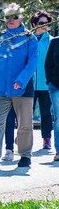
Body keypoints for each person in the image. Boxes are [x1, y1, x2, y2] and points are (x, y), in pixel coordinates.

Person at [0, 4, 37, 169]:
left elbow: (32, 63)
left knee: (24, 123)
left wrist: (21, 80)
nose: (10, 20)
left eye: (14, 17)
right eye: (7, 17)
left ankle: (25, 155)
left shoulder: (29, 38)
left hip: (22, 89)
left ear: (21, 18)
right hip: (1, 89)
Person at [30, 10, 54, 150]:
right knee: (26, 115)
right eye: (41, 23)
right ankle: (24, 140)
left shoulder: (52, 41)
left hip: (46, 84)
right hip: (30, 84)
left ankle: (46, 139)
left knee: (46, 114)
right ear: (34, 24)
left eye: (47, 23)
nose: (45, 26)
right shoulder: (29, 40)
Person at [45, 19, 59, 161]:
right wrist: (49, 81)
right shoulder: (54, 42)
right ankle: (58, 150)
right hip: (56, 86)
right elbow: (48, 64)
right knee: (58, 119)